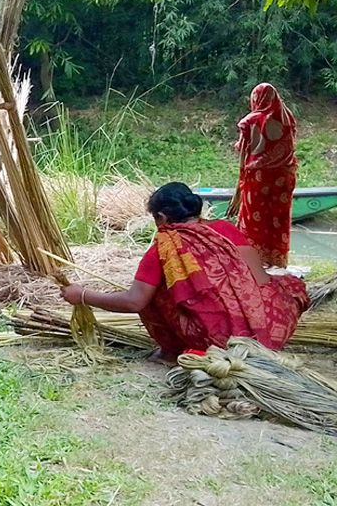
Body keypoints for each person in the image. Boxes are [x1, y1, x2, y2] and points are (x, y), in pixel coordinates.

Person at [60, 183, 309, 363]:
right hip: (268, 333)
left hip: (216, 344)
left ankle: (171, 352)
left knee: (152, 291)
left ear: (162, 217)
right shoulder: (225, 229)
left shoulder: (164, 247)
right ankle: (251, 337)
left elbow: (134, 302)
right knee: (286, 282)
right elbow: (262, 281)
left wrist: (82, 295)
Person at [233, 83, 298, 268]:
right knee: (279, 218)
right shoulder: (288, 118)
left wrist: (239, 186)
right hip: (284, 176)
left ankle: (253, 261)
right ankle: (276, 260)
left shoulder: (251, 121)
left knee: (255, 219)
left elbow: (244, 151)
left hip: (258, 177)